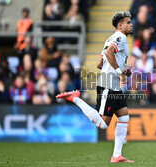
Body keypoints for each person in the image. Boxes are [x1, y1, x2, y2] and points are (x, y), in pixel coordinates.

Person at [56, 11, 134, 163]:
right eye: (128, 22)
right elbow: (110, 52)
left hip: (112, 83)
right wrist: (119, 71)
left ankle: (116, 155)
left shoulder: (110, 39)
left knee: (124, 115)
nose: (131, 25)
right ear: (120, 25)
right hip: (107, 83)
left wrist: (122, 70)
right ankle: (76, 99)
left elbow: (100, 63)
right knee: (103, 124)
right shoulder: (120, 37)